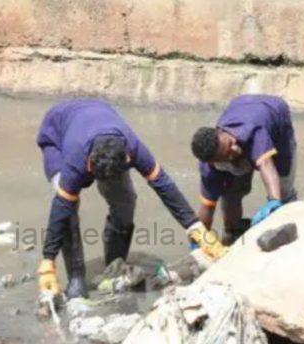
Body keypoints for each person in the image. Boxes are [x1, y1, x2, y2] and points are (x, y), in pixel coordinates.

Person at [35, 99, 226, 299]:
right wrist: (48, 260)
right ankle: (76, 276)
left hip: (99, 125)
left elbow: (165, 188)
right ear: (89, 164)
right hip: (56, 134)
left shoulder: (133, 148)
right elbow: (61, 208)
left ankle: (115, 265)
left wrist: (201, 234)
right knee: (69, 207)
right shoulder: (76, 159)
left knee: (125, 200)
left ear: (127, 159)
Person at [190, 94, 297, 244]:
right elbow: (207, 206)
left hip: (274, 114)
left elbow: (265, 164)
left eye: (230, 143)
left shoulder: (254, 131)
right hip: (243, 107)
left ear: (221, 133)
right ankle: (232, 232)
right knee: (230, 191)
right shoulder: (209, 166)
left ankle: (287, 223)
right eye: (228, 153)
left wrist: (274, 200)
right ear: (213, 161)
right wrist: (199, 242)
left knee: (282, 184)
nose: (234, 148)